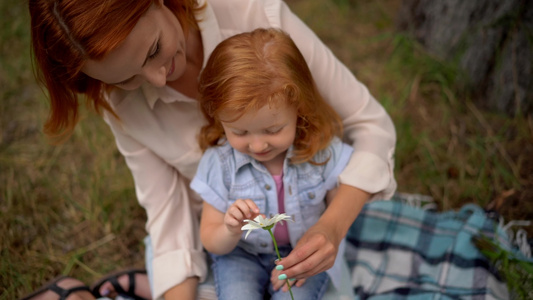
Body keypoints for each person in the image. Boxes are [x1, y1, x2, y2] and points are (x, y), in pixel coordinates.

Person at [27, 0, 397, 299]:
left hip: (308, 233)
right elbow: (168, 215)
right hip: (220, 241)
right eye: (126, 78)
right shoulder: (120, 103)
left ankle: (132, 285)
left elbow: (371, 127)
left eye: (153, 49)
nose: (156, 79)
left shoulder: (255, 16)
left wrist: (331, 228)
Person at [191, 28, 354, 300]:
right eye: (240, 132)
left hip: (299, 253)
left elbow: (340, 207)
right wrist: (230, 229)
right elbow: (210, 239)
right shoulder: (219, 163)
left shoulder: (320, 151)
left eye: (273, 129)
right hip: (241, 255)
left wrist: (316, 247)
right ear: (220, 120)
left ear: (298, 109)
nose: (257, 146)